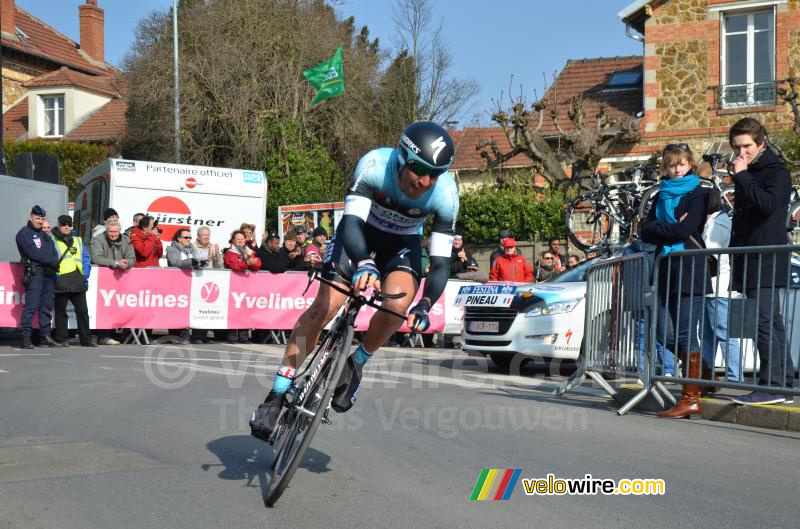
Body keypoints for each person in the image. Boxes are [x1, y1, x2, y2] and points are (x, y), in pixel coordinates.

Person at [249, 121, 458, 439]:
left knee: (398, 305)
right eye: (419, 169)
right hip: (359, 233)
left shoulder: (445, 195)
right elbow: (351, 224)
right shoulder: (374, 165)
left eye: (435, 174)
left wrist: (426, 303)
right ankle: (277, 392)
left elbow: (440, 262)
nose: (425, 181)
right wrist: (363, 263)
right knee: (325, 307)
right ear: (402, 158)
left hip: (402, 245)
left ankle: (357, 362)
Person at [726, 118, 795, 405]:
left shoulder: (776, 172)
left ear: (761, 144)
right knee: (771, 321)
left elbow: (767, 205)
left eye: (747, 147)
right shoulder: (750, 171)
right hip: (749, 255)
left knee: (762, 321)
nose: (741, 153)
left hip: (766, 256)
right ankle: (784, 382)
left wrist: (742, 176)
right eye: (737, 147)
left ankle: (772, 386)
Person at [641, 143, 710, 419]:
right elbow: (645, 231)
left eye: (681, 164)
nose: (676, 170)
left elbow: (685, 229)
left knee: (684, 333)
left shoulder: (698, 192)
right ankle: (704, 372)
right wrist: (667, 228)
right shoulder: (660, 195)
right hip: (666, 268)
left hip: (690, 268)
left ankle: (691, 398)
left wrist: (662, 229)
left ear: (690, 164)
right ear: (665, 168)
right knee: (662, 332)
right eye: (671, 165)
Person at [701, 189, 742, 386]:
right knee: (710, 335)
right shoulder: (718, 221)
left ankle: (735, 377)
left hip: (717, 287)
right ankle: (707, 374)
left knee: (723, 333)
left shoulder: (717, 224)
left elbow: (711, 256)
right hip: (714, 287)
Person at [16, 205, 60, 349]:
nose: (40, 221)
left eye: (42, 219)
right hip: (35, 274)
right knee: (31, 306)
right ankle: (26, 338)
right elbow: (34, 254)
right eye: (37, 218)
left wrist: (53, 261)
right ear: (31, 217)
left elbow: (53, 251)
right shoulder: (24, 233)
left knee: (46, 307)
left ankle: (45, 337)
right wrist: (52, 261)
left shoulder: (44, 235)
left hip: (48, 274)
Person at [52, 215, 95, 347]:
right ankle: (61, 338)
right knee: (60, 312)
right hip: (61, 280)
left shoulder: (77, 240)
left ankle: (86, 339)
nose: (66, 227)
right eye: (64, 224)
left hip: (77, 279)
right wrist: (55, 276)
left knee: (82, 311)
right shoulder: (52, 239)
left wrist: (84, 275)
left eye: (69, 224)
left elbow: (86, 258)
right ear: (58, 225)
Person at [90, 219, 134, 345]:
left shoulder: (126, 240)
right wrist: (114, 263)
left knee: (123, 305)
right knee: (105, 306)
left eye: (116, 232)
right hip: (104, 279)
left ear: (120, 231)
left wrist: (126, 263)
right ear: (106, 230)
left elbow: (132, 257)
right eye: (111, 232)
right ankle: (104, 335)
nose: (113, 234)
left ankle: (124, 336)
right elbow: (96, 257)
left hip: (122, 278)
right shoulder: (98, 239)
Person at [166, 228, 205, 344]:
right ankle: (176, 336)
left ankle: (188, 335)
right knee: (176, 310)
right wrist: (190, 261)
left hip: (190, 284)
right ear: (179, 238)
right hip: (176, 284)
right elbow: (174, 262)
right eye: (186, 237)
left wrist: (199, 263)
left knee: (188, 310)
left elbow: (194, 263)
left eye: (190, 237)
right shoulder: (172, 249)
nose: (188, 239)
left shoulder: (192, 249)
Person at [223, 230, 261, 344]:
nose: (240, 241)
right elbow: (234, 265)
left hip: (246, 285)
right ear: (233, 241)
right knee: (233, 310)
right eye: (238, 239)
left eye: (242, 239)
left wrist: (253, 263)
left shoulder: (249, 251)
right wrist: (247, 264)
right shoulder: (230, 252)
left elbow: (258, 264)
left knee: (245, 310)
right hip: (233, 285)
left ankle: (243, 336)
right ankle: (232, 336)